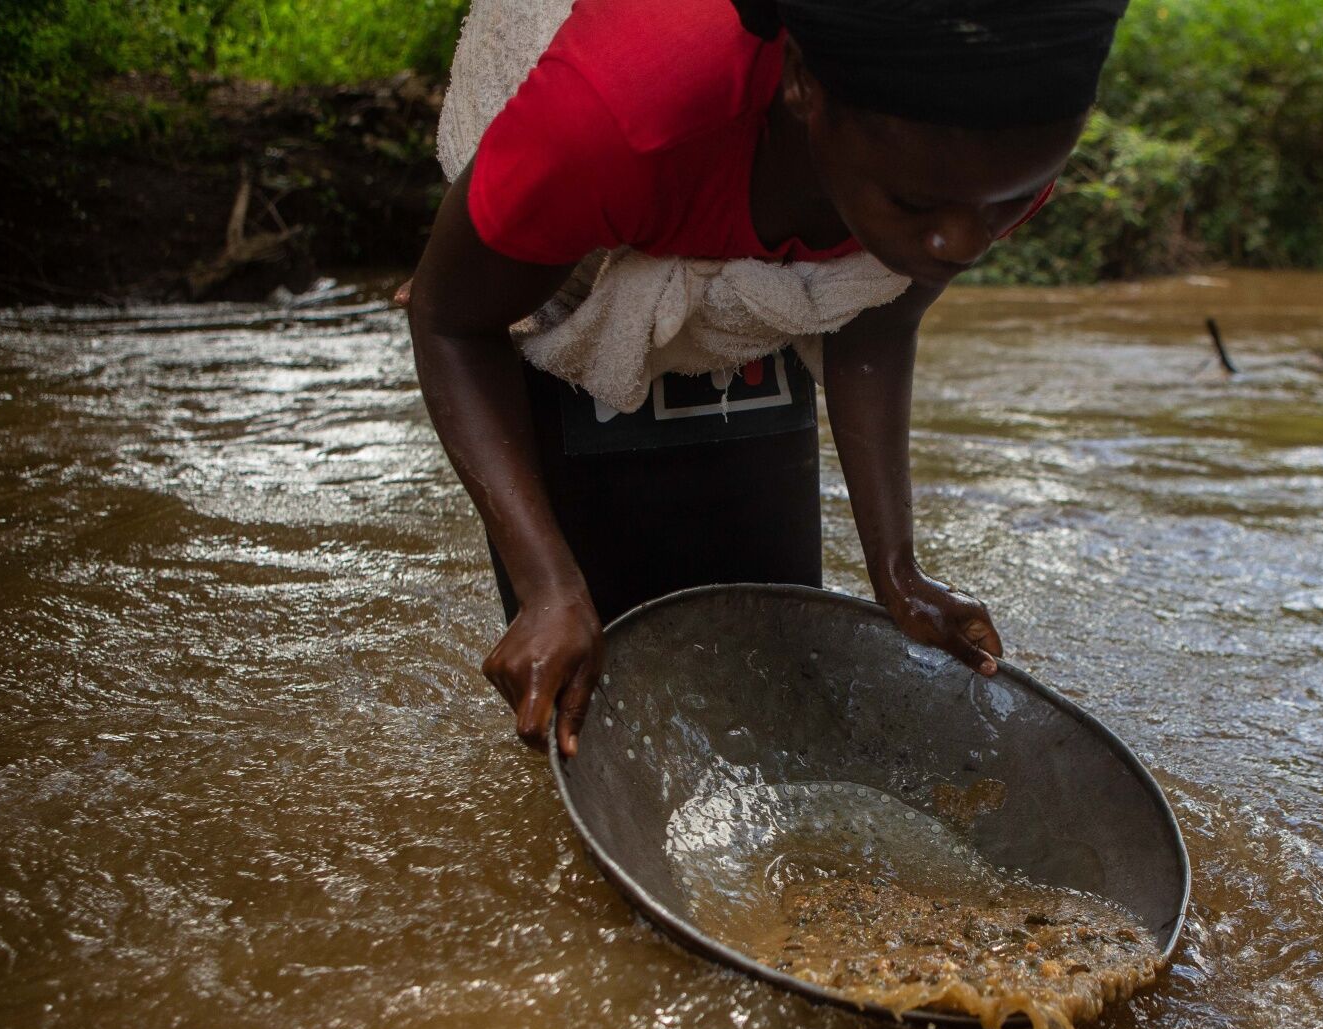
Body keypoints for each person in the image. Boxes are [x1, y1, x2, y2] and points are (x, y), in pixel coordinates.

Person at [407, 0, 1126, 755]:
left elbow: (876, 317)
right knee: (591, 697)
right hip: (601, 206)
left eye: (1007, 203)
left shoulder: (999, 139)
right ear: (802, 81)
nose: (963, 244)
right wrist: (546, 587)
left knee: (776, 705)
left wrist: (896, 570)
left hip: (747, 217)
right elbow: (452, 320)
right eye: (915, 203)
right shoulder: (619, 119)